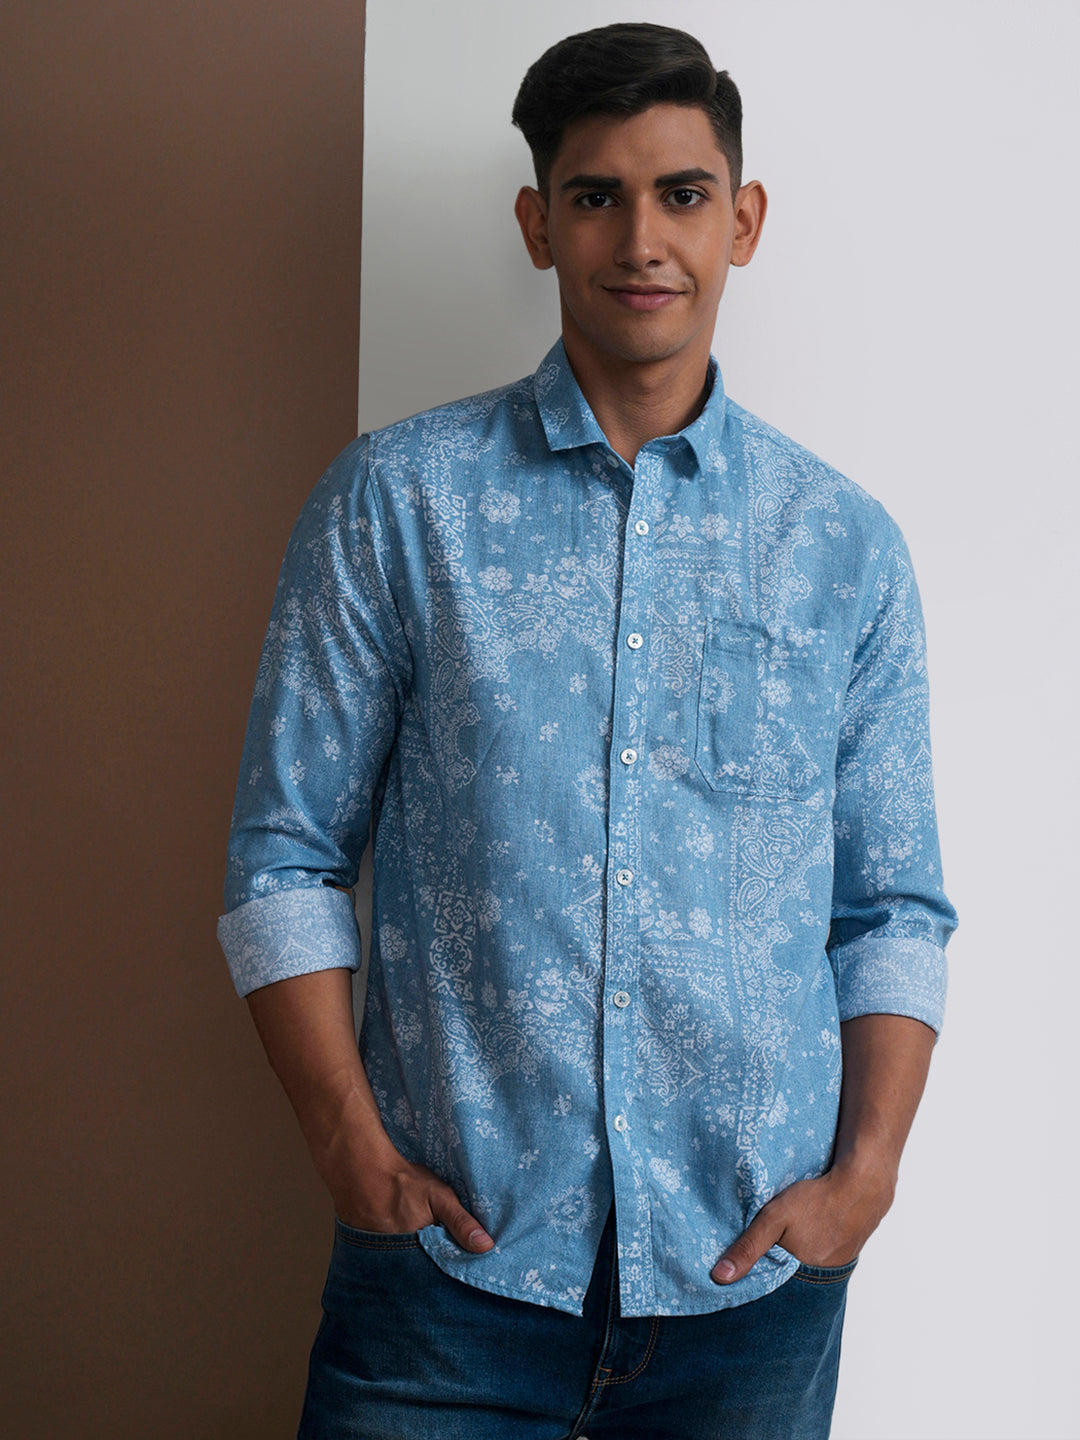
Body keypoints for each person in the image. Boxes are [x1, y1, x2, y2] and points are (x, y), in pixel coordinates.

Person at [218, 22, 957, 1439]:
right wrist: (349, 1151)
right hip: (447, 1280)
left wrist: (864, 1181)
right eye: (596, 195)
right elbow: (283, 861)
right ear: (537, 223)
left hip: (750, 1294)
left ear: (744, 220)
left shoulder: (842, 546)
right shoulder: (399, 504)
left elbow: (893, 905)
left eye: (683, 194)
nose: (642, 239)